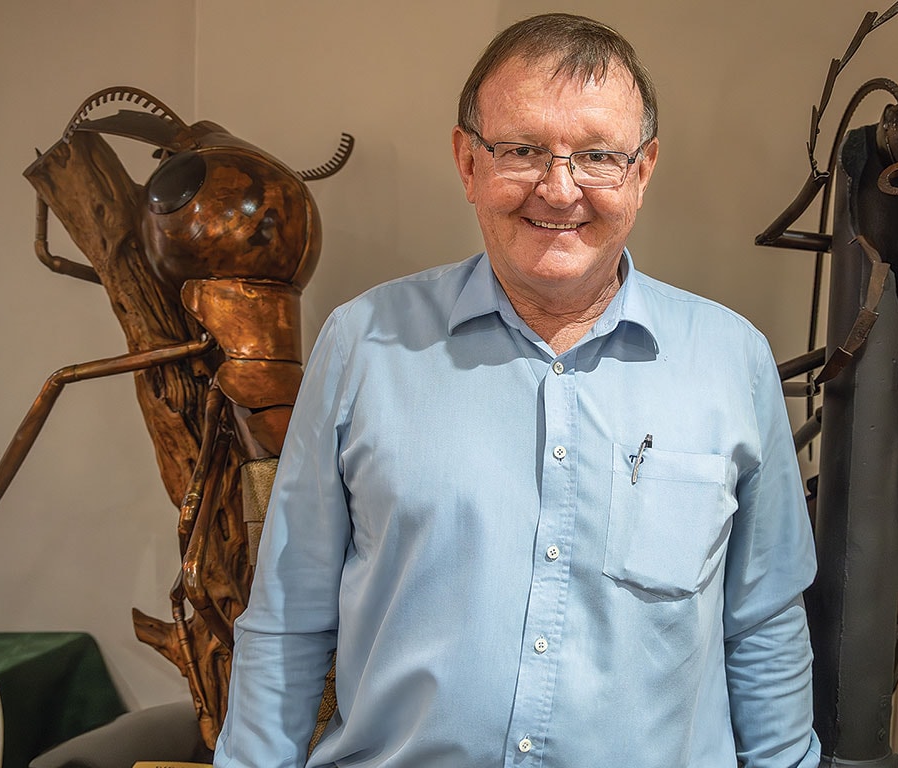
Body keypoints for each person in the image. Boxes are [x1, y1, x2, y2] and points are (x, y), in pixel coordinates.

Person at [214, 12, 821, 768]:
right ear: (467, 162)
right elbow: (288, 619)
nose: (559, 188)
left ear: (643, 169)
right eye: (522, 150)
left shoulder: (733, 361)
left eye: (597, 154)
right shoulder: (362, 345)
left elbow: (763, 625)